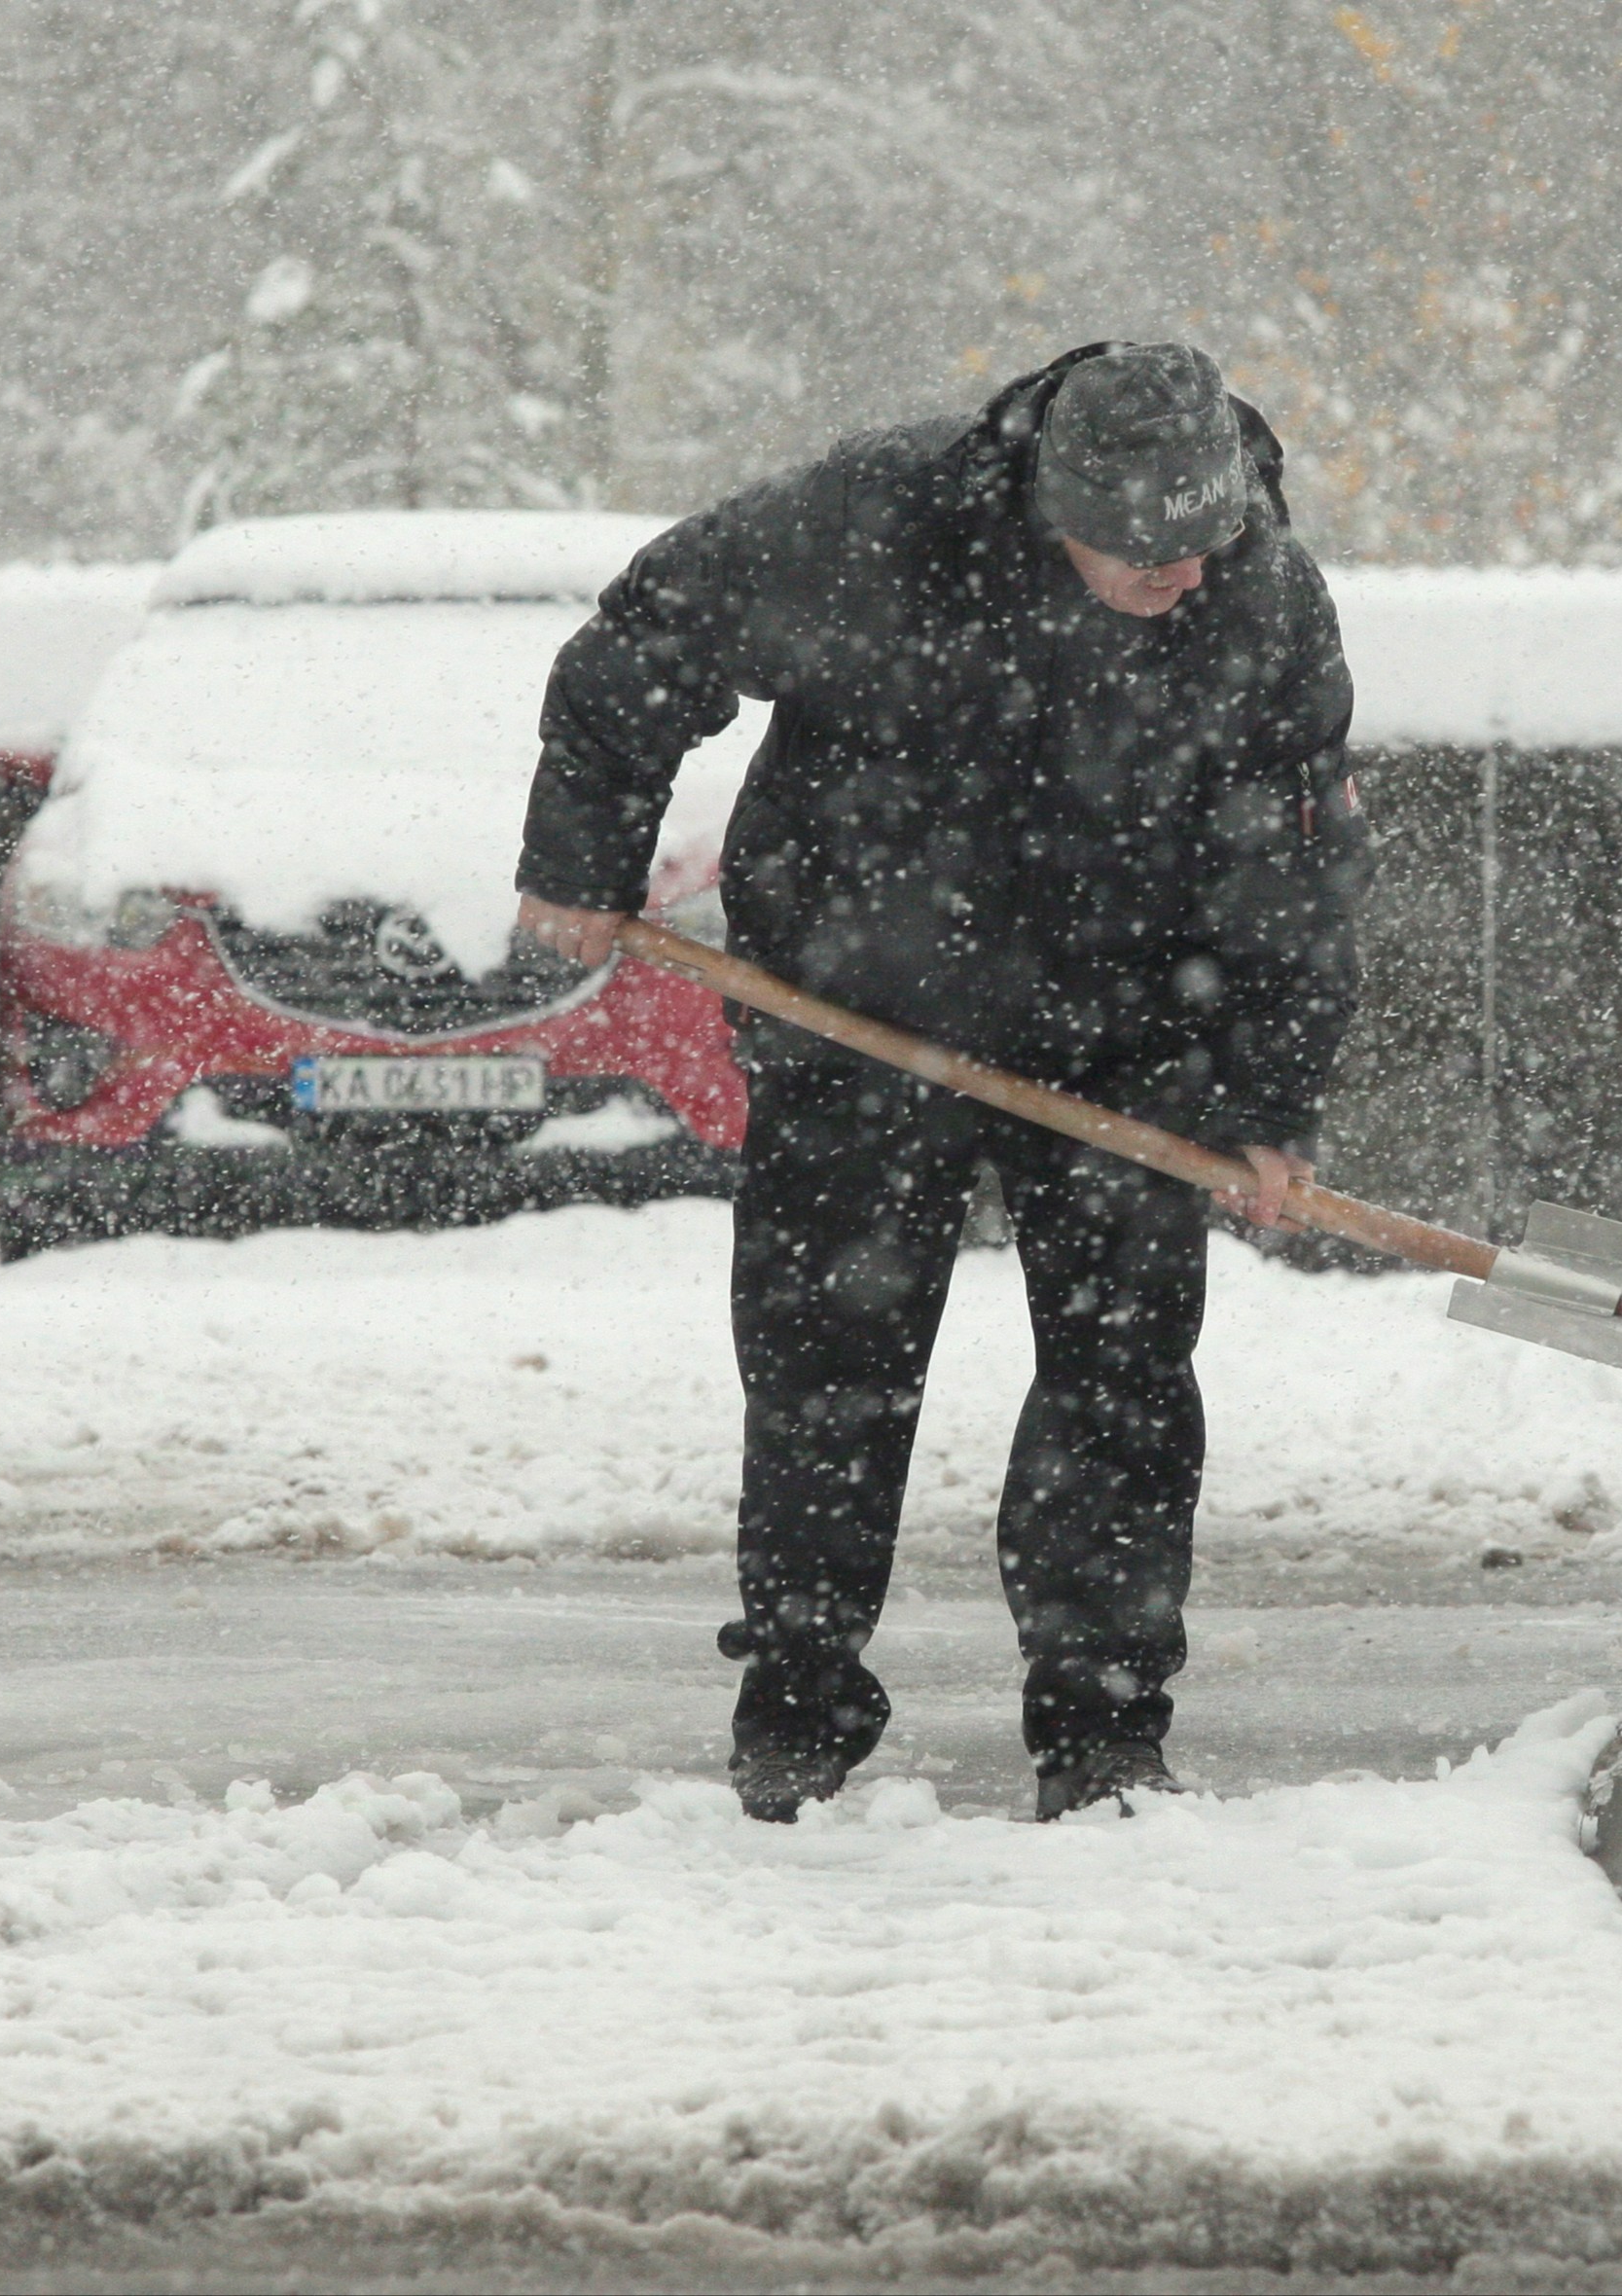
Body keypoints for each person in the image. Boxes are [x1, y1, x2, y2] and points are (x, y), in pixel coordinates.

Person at [513, 341, 1369, 1822]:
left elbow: (1292, 869)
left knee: (1120, 1385)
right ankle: (798, 1704)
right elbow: (650, 636)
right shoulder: (879, 527)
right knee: (827, 1373)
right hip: (856, 1011)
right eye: (1142, 551)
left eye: (1201, 542)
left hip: (1127, 1041)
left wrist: (1264, 1103)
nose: (1179, 576)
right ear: (1055, 507)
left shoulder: (1261, 599)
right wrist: (579, 865)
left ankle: (1104, 1730)